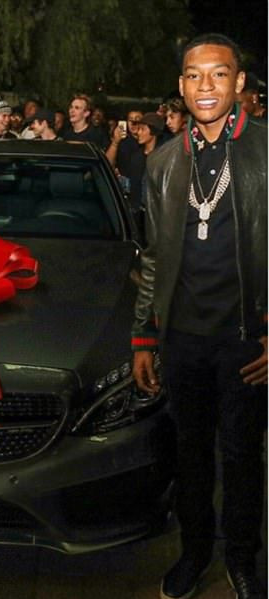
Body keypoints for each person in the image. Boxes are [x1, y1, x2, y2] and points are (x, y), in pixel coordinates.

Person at [131, 33, 267, 599]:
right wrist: (144, 337)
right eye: (194, 75)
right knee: (189, 458)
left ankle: (243, 559)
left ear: (239, 82)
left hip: (246, 341)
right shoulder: (163, 161)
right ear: (182, 86)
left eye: (219, 73)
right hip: (181, 340)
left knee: (242, 456)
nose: (205, 85)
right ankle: (194, 554)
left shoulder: (265, 152)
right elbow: (153, 258)